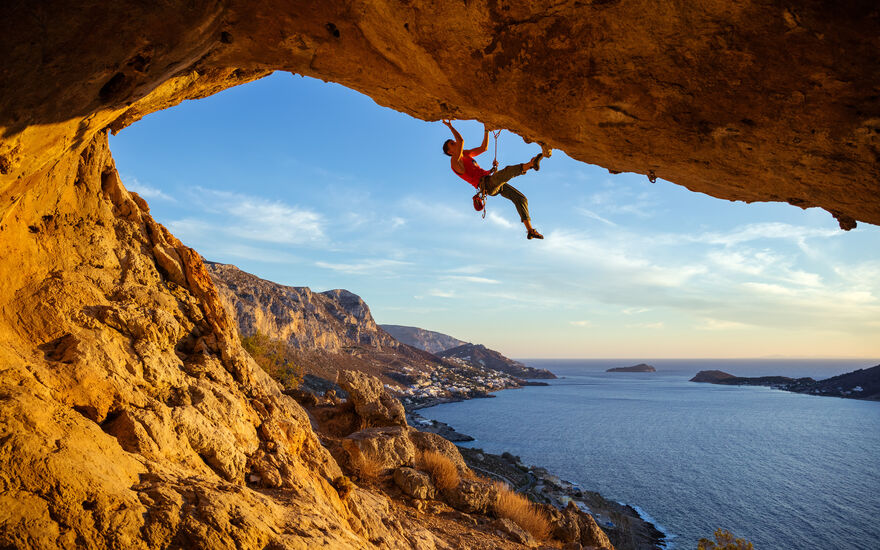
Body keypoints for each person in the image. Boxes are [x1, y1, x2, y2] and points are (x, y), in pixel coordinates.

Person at [442, 120, 548, 240]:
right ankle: (530, 164)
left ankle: (530, 230)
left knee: (521, 198)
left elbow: (484, 148)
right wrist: (451, 127)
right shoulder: (454, 162)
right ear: (450, 152)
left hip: (490, 180)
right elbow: (461, 141)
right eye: (452, 143)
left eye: (453, 141)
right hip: (486, 185)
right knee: (507, 172)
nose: (455, 142)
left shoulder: (465, 154)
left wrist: (487, 129)